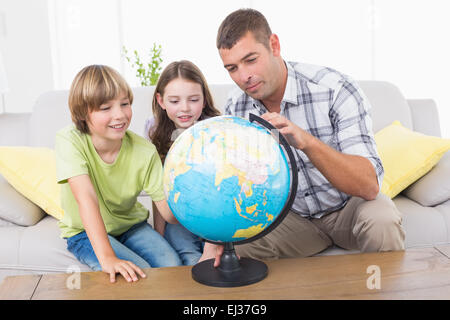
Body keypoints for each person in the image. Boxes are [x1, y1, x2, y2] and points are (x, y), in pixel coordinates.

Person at [201, 8, 405, 265]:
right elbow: (237, 184)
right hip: (293, 219)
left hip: (349, 209)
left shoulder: (335, 89)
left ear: (274, 45)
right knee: (240, 244)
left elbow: (368, 185)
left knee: (382, 219)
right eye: (232, 68)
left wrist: (306, 142)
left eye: (251, 60)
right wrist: (214, 240)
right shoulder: (237, 107)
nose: (243, 77)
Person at [55, 65, 182, 283]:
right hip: (83, 232)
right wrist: (107, 257)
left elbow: (169, 214)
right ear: (84, 113)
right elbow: (86, 198)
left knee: (172, 267)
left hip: (131, 226)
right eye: (106, 108)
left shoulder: (144, 150)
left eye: (125, 104)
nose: (120, 115)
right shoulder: (70, 140)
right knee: (136, 274)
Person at [145, 60, 221, 265]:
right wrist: (159, 235)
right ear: (161, 101)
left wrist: (212, 244)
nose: (185, 109)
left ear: (204, 100)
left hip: (216, 214)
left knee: (213, 261)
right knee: (185, 256)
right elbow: (157, 187)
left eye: (194, 99)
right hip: (180, 216)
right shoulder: (153, 129)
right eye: (174, 101)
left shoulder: (216, 129)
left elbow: (222, 192)